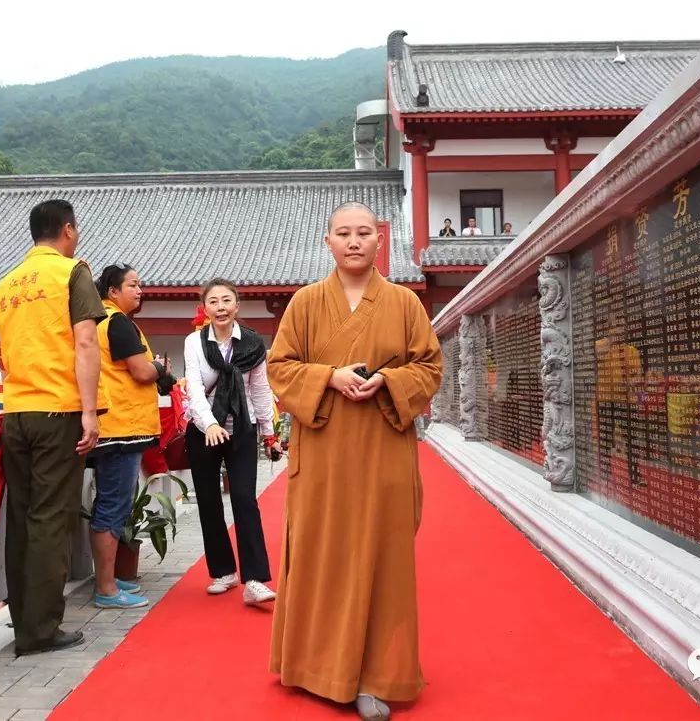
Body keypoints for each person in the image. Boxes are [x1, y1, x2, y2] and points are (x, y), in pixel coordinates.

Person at [268, 201, 443, 721]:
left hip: (383, 450)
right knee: (324, 554)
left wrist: (388, 380)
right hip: (322, 452)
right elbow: (280, 367)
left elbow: (430, 367)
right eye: (343, 233)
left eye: (364, 232)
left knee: (382, 559)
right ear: (328, 241)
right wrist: (329, 377)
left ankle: (376, 676)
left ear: (378, 241)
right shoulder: (304, 302)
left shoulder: (406, 303)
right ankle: (315, 666)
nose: (353, 241)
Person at [0, 199, 107, 655]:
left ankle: (25, 623)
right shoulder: (72, 271)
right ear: (68, 230)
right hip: (57, 410)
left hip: (16, 411)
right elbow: (84, 342)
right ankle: (40, 631)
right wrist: (90, 412)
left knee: (20, 519)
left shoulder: (3, 286)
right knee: (50, 519)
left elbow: (2, 357)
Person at [183, 278, 278, 604]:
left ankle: (255, 580)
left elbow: (260, 390)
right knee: (209, 501)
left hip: (241, 427)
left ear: (236, 306)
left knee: (244, 499)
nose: (220, 307)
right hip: (203, 430)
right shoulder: (194, 343)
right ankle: (224, 571)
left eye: (226, 301)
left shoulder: (252, 344)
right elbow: (193, 388)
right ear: (205, 308)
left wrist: (268, 431)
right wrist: (209, 424)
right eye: (214, 302)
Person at [89, 263, 175, 609]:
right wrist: (160, 367)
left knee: (110, 503)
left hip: (113, 424)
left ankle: (109, 580)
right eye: (133, 285)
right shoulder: (117, 323)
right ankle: (107, 589)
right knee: (112, 506)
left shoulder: (98, 322)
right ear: (112, 291)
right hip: (121, 426)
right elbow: (140, 372)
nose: (140, 290)